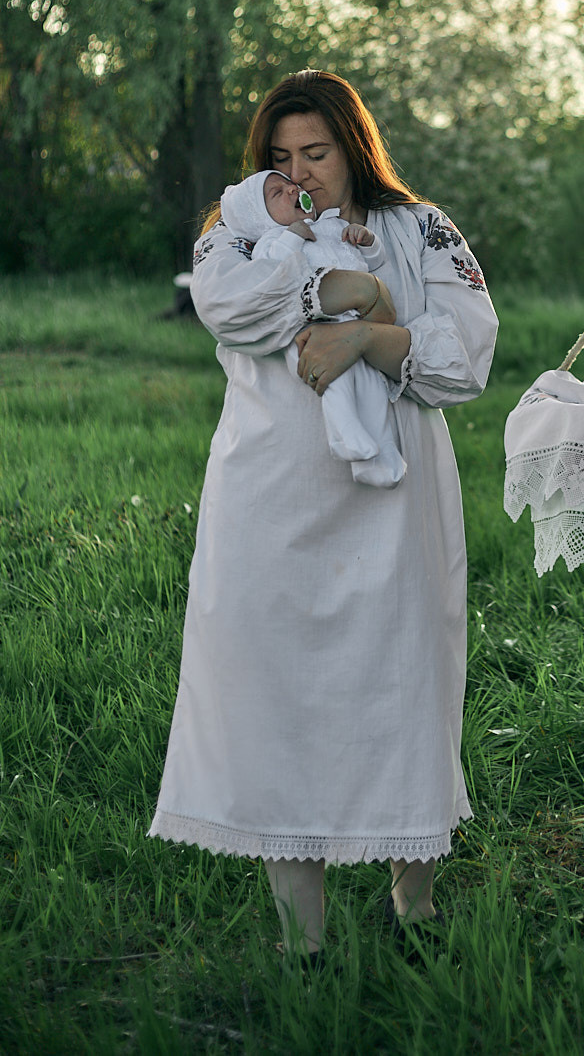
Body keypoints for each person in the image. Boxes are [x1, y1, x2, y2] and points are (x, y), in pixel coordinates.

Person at [148, 70, 499, 967]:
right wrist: (339, 289)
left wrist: (372, 337)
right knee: (279, 697)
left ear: (355, 148)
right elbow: (228, 310)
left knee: (405, 685)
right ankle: (301, 941)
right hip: (271, 496)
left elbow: (466, 356)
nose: (300, 173)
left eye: (318, 152)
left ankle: (414, 907)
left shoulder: (421, 227)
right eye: (282, 156)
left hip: (394, 504)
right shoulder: (237, 229)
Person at [219, 168, 406, 487]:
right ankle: (343, 433)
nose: (293, 190)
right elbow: (272, 272)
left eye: (290, 185)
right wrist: (293, 235)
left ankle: (381, 452)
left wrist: (367, 241)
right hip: (314, 331)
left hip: (354, 323)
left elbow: (375, 262)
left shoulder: (332, 224)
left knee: (374, 389)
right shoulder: (271, 240)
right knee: (337, 382)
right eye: (277, 193)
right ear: (261, 218)